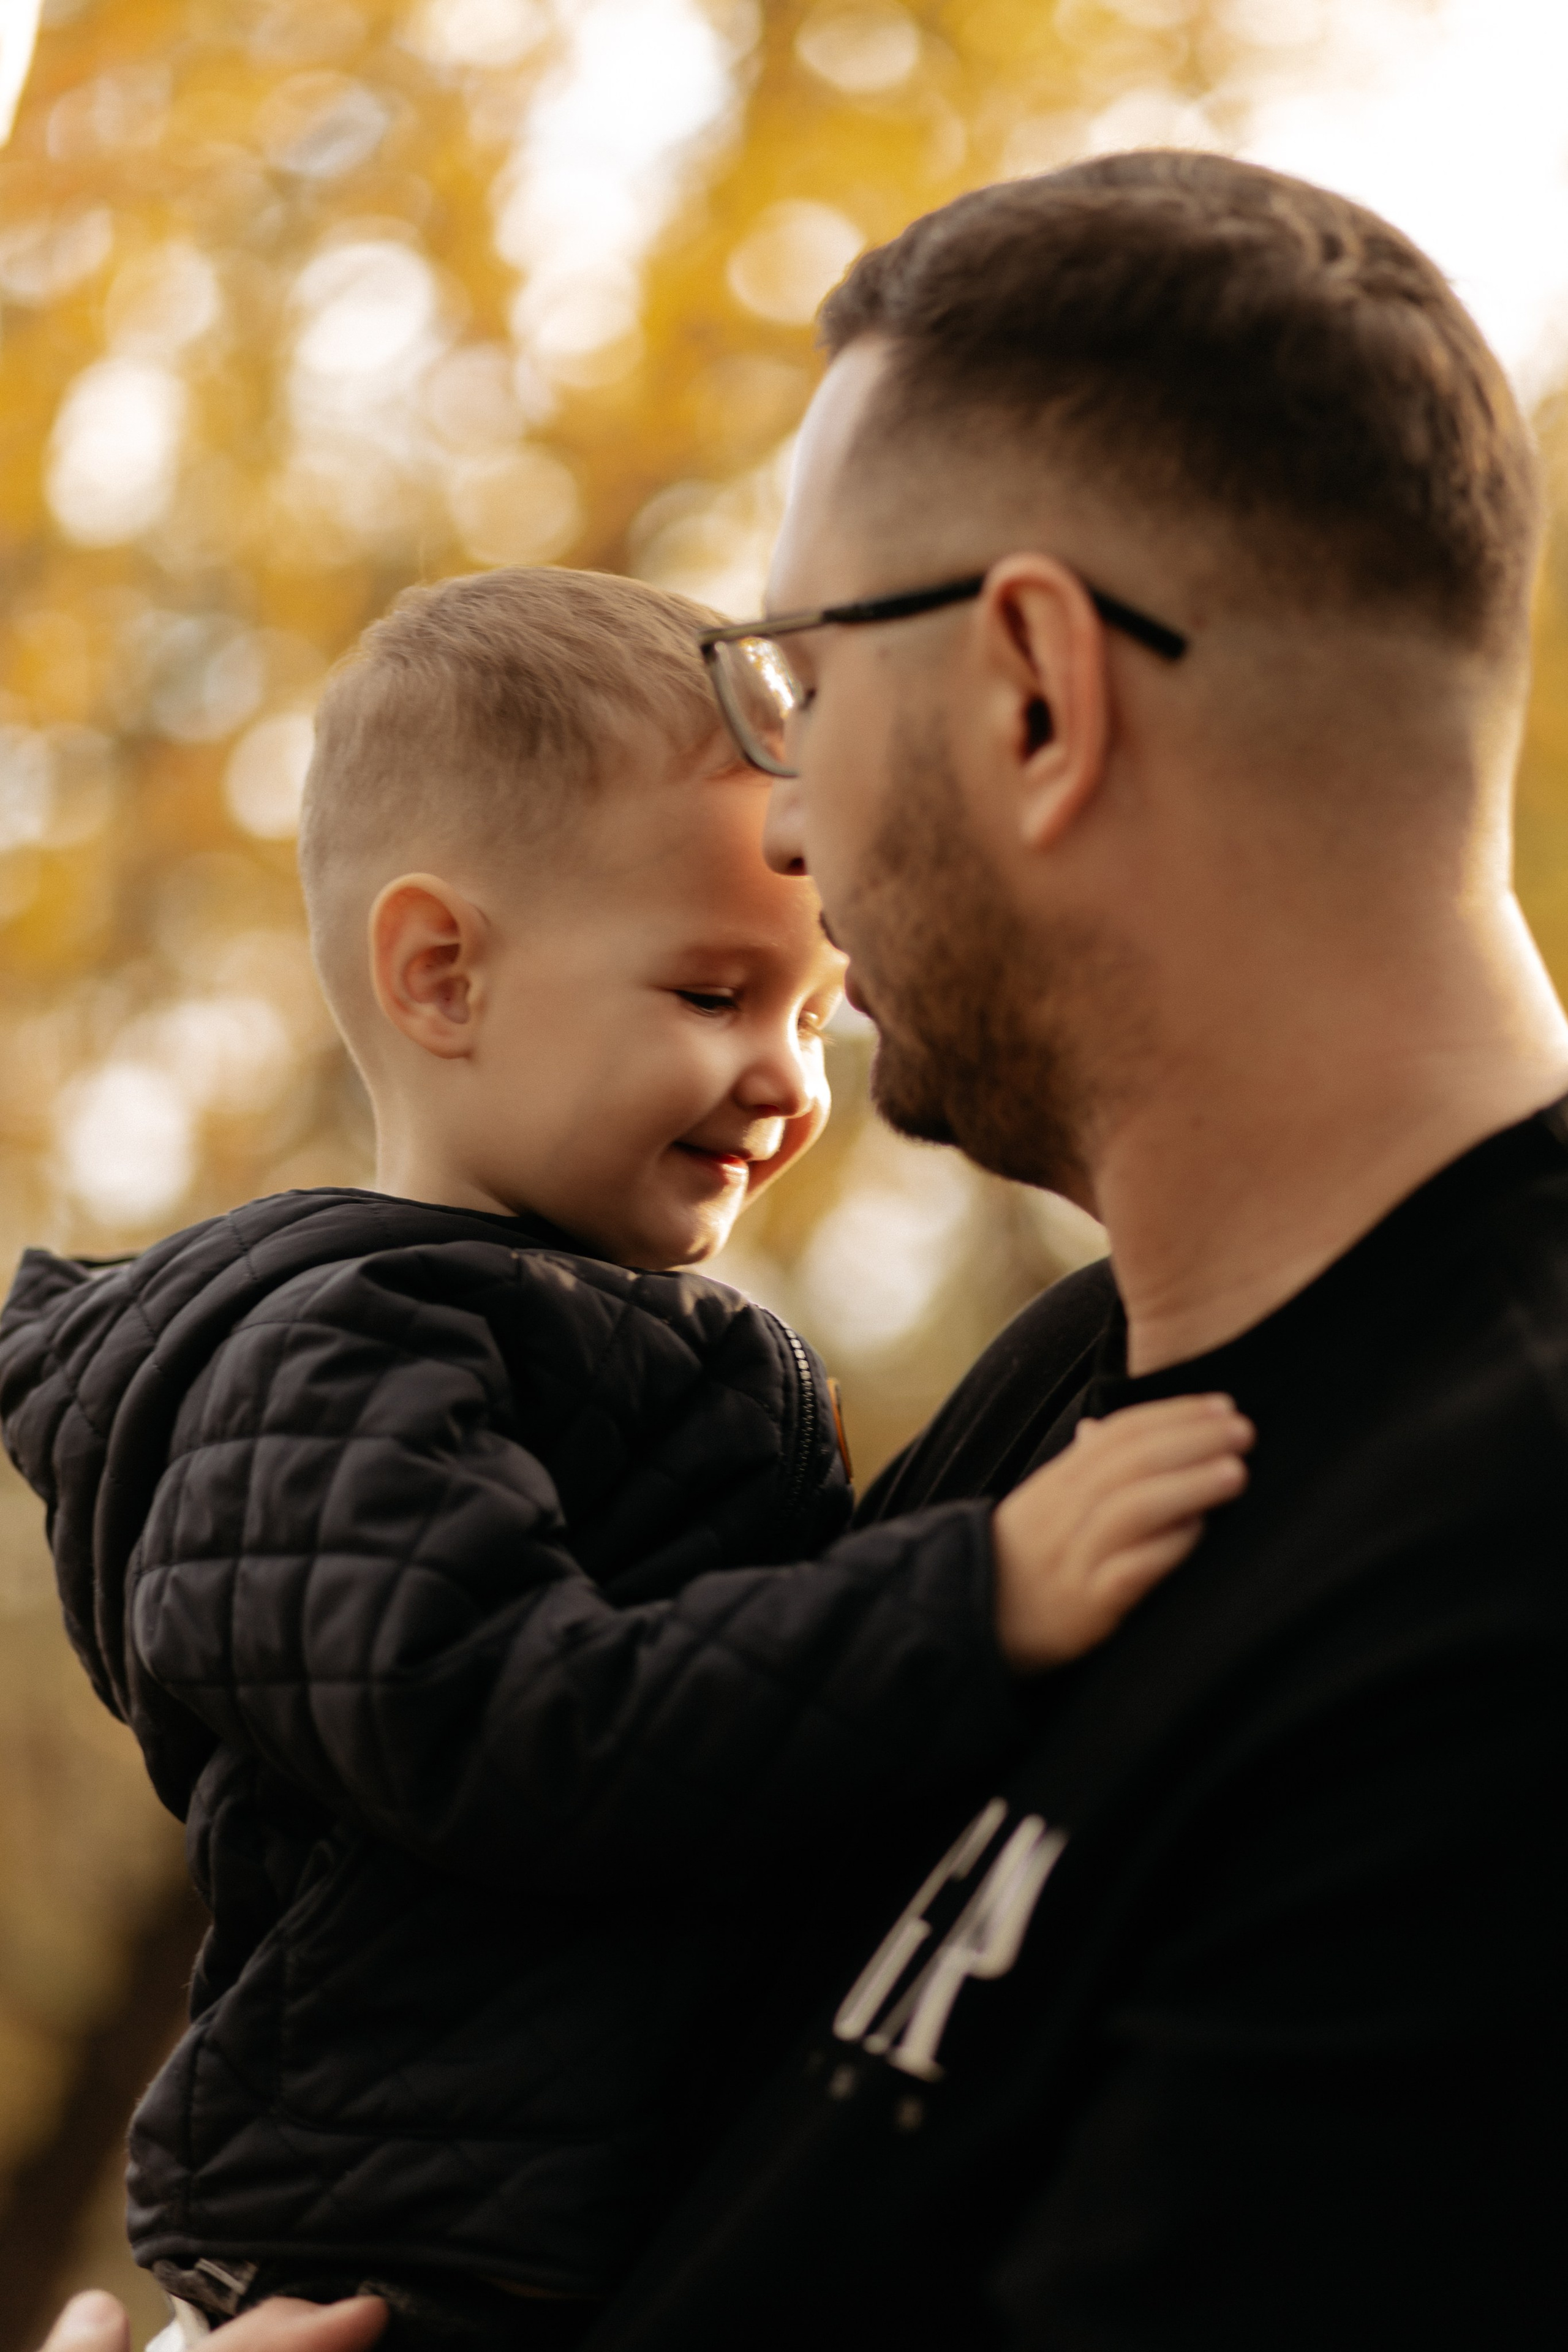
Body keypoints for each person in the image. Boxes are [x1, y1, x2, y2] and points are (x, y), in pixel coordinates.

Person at [0, 568, 1251, 2351]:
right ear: (444, 974)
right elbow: (516, 1723)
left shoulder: (567, 1329)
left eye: (812, 1012)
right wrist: (970, 1600)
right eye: (713, 989)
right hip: (424, 2248)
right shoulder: (326, 1364)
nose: (787, 1077)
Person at [568, 151, 1568, 2348]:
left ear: (1032, 688)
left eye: (801, 682)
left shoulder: (1507, 1603)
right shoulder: (1064, 1395)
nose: (791, 818)